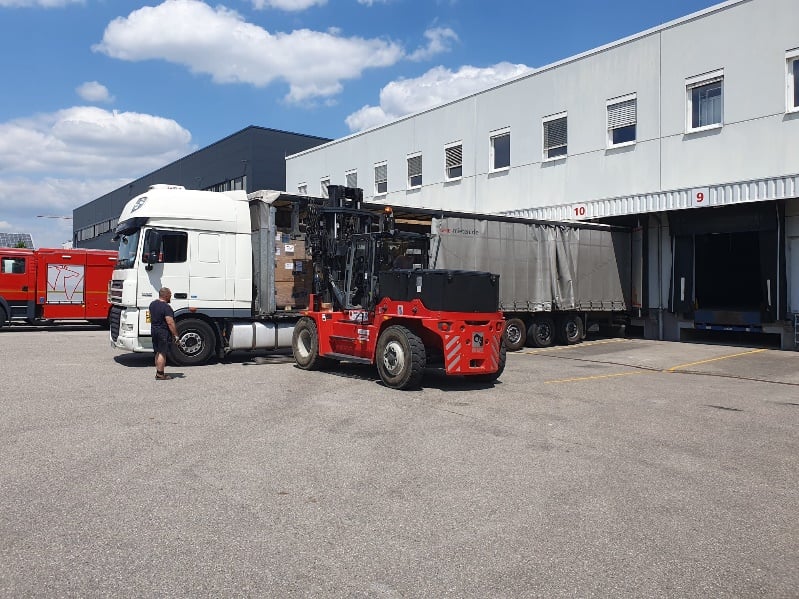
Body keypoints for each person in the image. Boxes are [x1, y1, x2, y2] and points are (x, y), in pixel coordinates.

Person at [149, 287, 179, 380]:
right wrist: (176, 335)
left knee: (158, 352)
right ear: (166, 295)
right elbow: (170, 322)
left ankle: (158, 371)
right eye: (170, 295)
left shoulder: (152, 304)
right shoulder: (166, 307)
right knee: (163, 353)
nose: (171, 297)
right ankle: (160, 374)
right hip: (162, 332)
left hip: (154, 330)